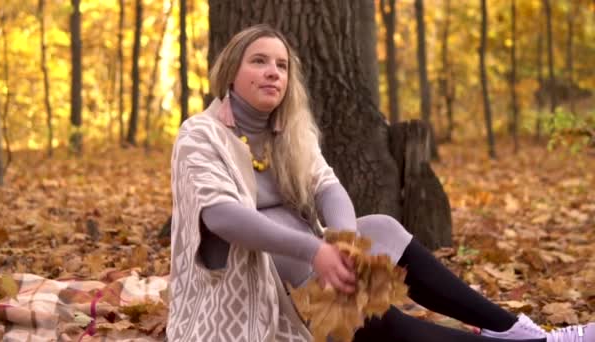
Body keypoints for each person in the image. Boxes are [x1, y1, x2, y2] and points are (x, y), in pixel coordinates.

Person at [166, 24, 593, 342]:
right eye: (259, 61)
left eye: (282, 65)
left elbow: (327, 186)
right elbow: (222, 216)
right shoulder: (199, 134)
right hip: (252, 283)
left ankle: (513, 330)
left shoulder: (289, 131)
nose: (273, 72)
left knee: (383, 228)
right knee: (367, 316)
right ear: (231, 72)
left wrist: (344, 241)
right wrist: (315, 250)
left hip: (313, 261)